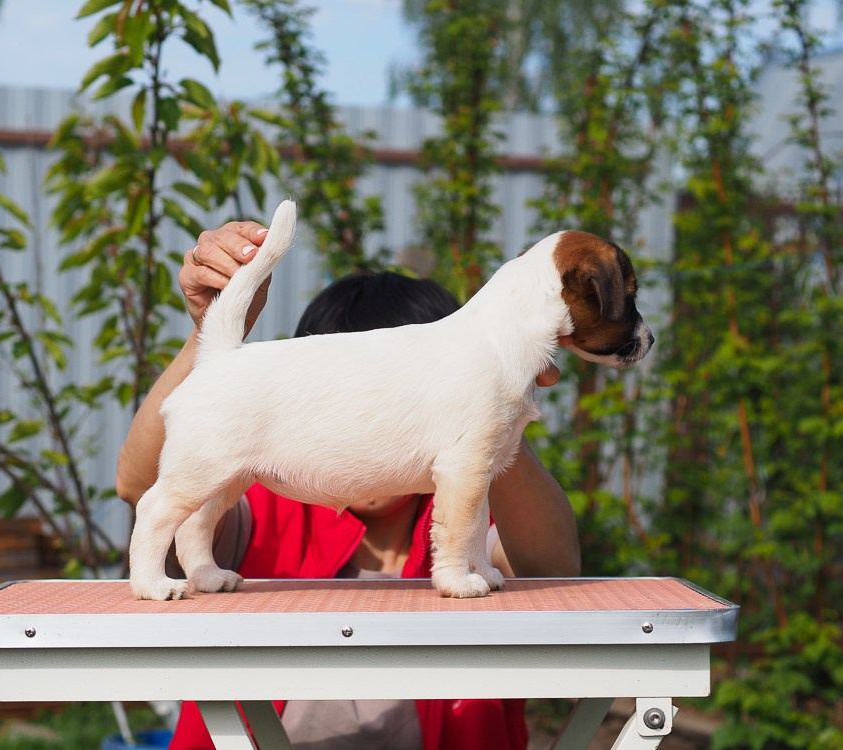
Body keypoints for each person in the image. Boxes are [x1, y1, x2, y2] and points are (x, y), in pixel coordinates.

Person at [116, 218, 581, 750]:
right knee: (190, 494)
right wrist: (209, 330)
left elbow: (554, 570)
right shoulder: (271, 508)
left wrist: (497, 390)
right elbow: (139, 484)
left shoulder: (467, 510)